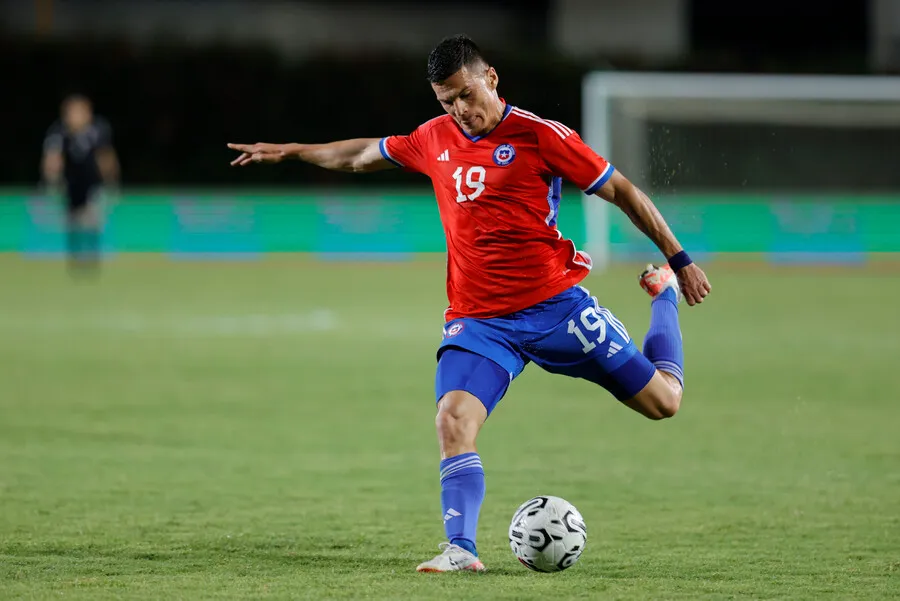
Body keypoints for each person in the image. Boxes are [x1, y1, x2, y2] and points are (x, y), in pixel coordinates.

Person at [227, 34, 711, 573]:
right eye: (446, 101)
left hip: (557, 309)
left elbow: (622, 191)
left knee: (664, 402)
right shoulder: (433, 137)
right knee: (452, 420)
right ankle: (461, 549)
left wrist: (679, 260)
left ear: (491, 78)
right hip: (480, 322)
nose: (459, 110)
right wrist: (292, 151)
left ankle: (662, 297)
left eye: (465, 94)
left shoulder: (541, 136)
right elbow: (361, 155)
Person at [41, 94, 120, 272]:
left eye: (79, 112)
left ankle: (92, 259)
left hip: (93, 185)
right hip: (70, 186)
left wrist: (111, 181)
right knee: (73, 223)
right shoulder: (58, 131)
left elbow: (106, 157)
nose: (74, 117)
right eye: (71, 113)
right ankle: (75, 261)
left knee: (92, 222)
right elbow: (52, 158)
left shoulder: (98, 130)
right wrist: (51, 180)